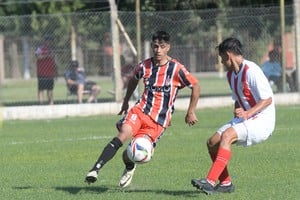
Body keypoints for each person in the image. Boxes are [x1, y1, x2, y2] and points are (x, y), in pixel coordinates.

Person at [85, 30, 200, 188]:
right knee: (123, 134)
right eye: (155, 46)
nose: (158, 50)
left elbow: (195, 85)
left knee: (132, 154)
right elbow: (133, 79)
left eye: (162, 46)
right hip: (140, 111)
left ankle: (130, 166)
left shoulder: (176, 69)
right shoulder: (145, 66)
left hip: (158, 122)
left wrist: (191, 111)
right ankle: (94, 170)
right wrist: (126, 101)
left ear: (168, 48)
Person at [191, 38, 275, 195]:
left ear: (228, 55)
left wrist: (247, 113)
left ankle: (209, 181)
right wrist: (237, 111)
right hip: (246, 118)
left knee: (227, 136)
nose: (222, 62)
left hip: (263, 120)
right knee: (212, 142)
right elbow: (238, 99)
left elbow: (268, 99)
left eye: (222, 58)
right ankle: (225, 183)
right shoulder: (231, 75)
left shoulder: (252, 70)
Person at [35, 36, 57, 105]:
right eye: (48, 40)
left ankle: (51, 102)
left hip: (50, 73)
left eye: (50, 41)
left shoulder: (52, 49)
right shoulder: (40, 49)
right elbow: (38, 57)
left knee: (50, 89)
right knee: (41, 89)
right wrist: (47, 56)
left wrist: (55, 71)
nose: (49, 42)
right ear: (44, 41)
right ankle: (41, 103)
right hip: (42, 72)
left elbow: (54, 60)